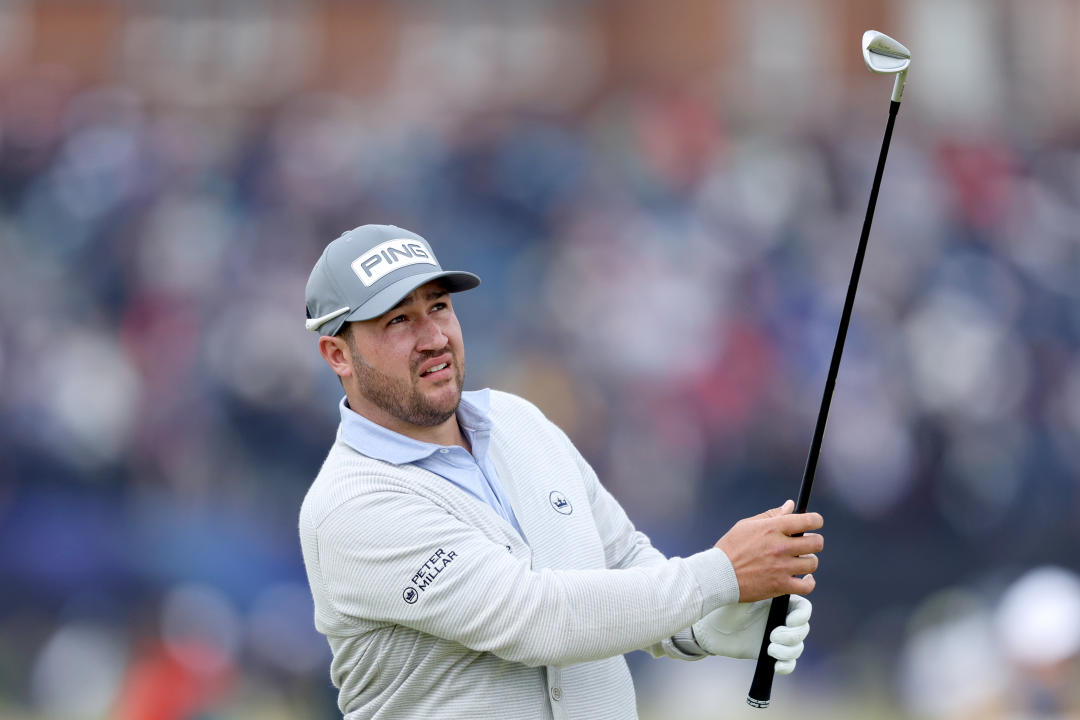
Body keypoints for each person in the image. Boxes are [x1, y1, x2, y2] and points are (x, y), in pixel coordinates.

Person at [298, 224, 824, 719]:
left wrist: (704, 625)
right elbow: (534, 620)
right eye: (398, 320)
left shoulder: (519, 421)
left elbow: (622, 563)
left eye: (439, 307)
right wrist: (720, 576)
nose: (434, 337)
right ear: (337, 354)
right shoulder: (351, 507)